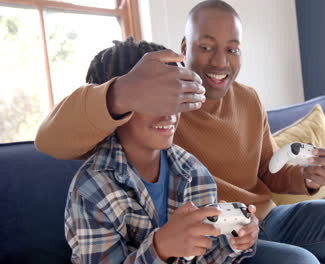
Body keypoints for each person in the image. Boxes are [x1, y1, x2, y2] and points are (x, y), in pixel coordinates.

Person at [38, 1, 325, 263]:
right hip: (211, 238)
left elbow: (266, 172)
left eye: (232, 49)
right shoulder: (160, 103)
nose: (220, 61)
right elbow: (53, 139)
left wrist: (304, 177)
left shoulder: (247, 101)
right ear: (185, 47)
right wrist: (125, 92)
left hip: (262, 222)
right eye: (206, 47)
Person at [64, 38, 258, 263]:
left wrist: (233, 241)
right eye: (153, 101)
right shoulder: (92, 189)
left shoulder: (194, 172)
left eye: (174, 98)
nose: (169, 113)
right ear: (117, 105)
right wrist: (160, 249)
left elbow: (205, 258)